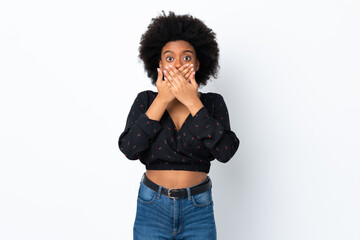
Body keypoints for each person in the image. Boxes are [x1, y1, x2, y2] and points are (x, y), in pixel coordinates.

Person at [118, 10, 240, 239]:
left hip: (199, 208)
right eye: (169, 58)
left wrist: (192, 101)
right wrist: (163, 98)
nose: (177, 65)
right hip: (151, 206)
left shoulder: (212, 103)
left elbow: (225, 152)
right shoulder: (145, 100)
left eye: (186, 57)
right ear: (160, 64)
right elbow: (129, 149)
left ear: (197, 63)